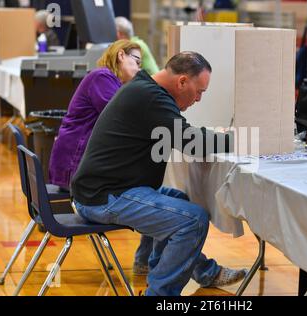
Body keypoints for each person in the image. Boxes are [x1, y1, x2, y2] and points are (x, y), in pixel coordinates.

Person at [71, 52, 247, 296]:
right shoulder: (150, 97)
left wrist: (219, 137)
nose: (198, 99)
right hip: (104, 197)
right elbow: (191, 142)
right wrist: (238, 139)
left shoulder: (145, 89)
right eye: (200, 92)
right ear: (183, 81)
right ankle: (160, 295)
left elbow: (184, 134)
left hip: (104, 190)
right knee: (193, 219)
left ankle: (201, 273)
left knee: (179, 202)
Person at [49, 40, 142, 190]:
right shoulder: (102, 77)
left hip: (78, 160)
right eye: (137, 62)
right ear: (121, 55)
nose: (138, 69)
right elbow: (119, 117)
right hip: (74, 162)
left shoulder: (110, 80)